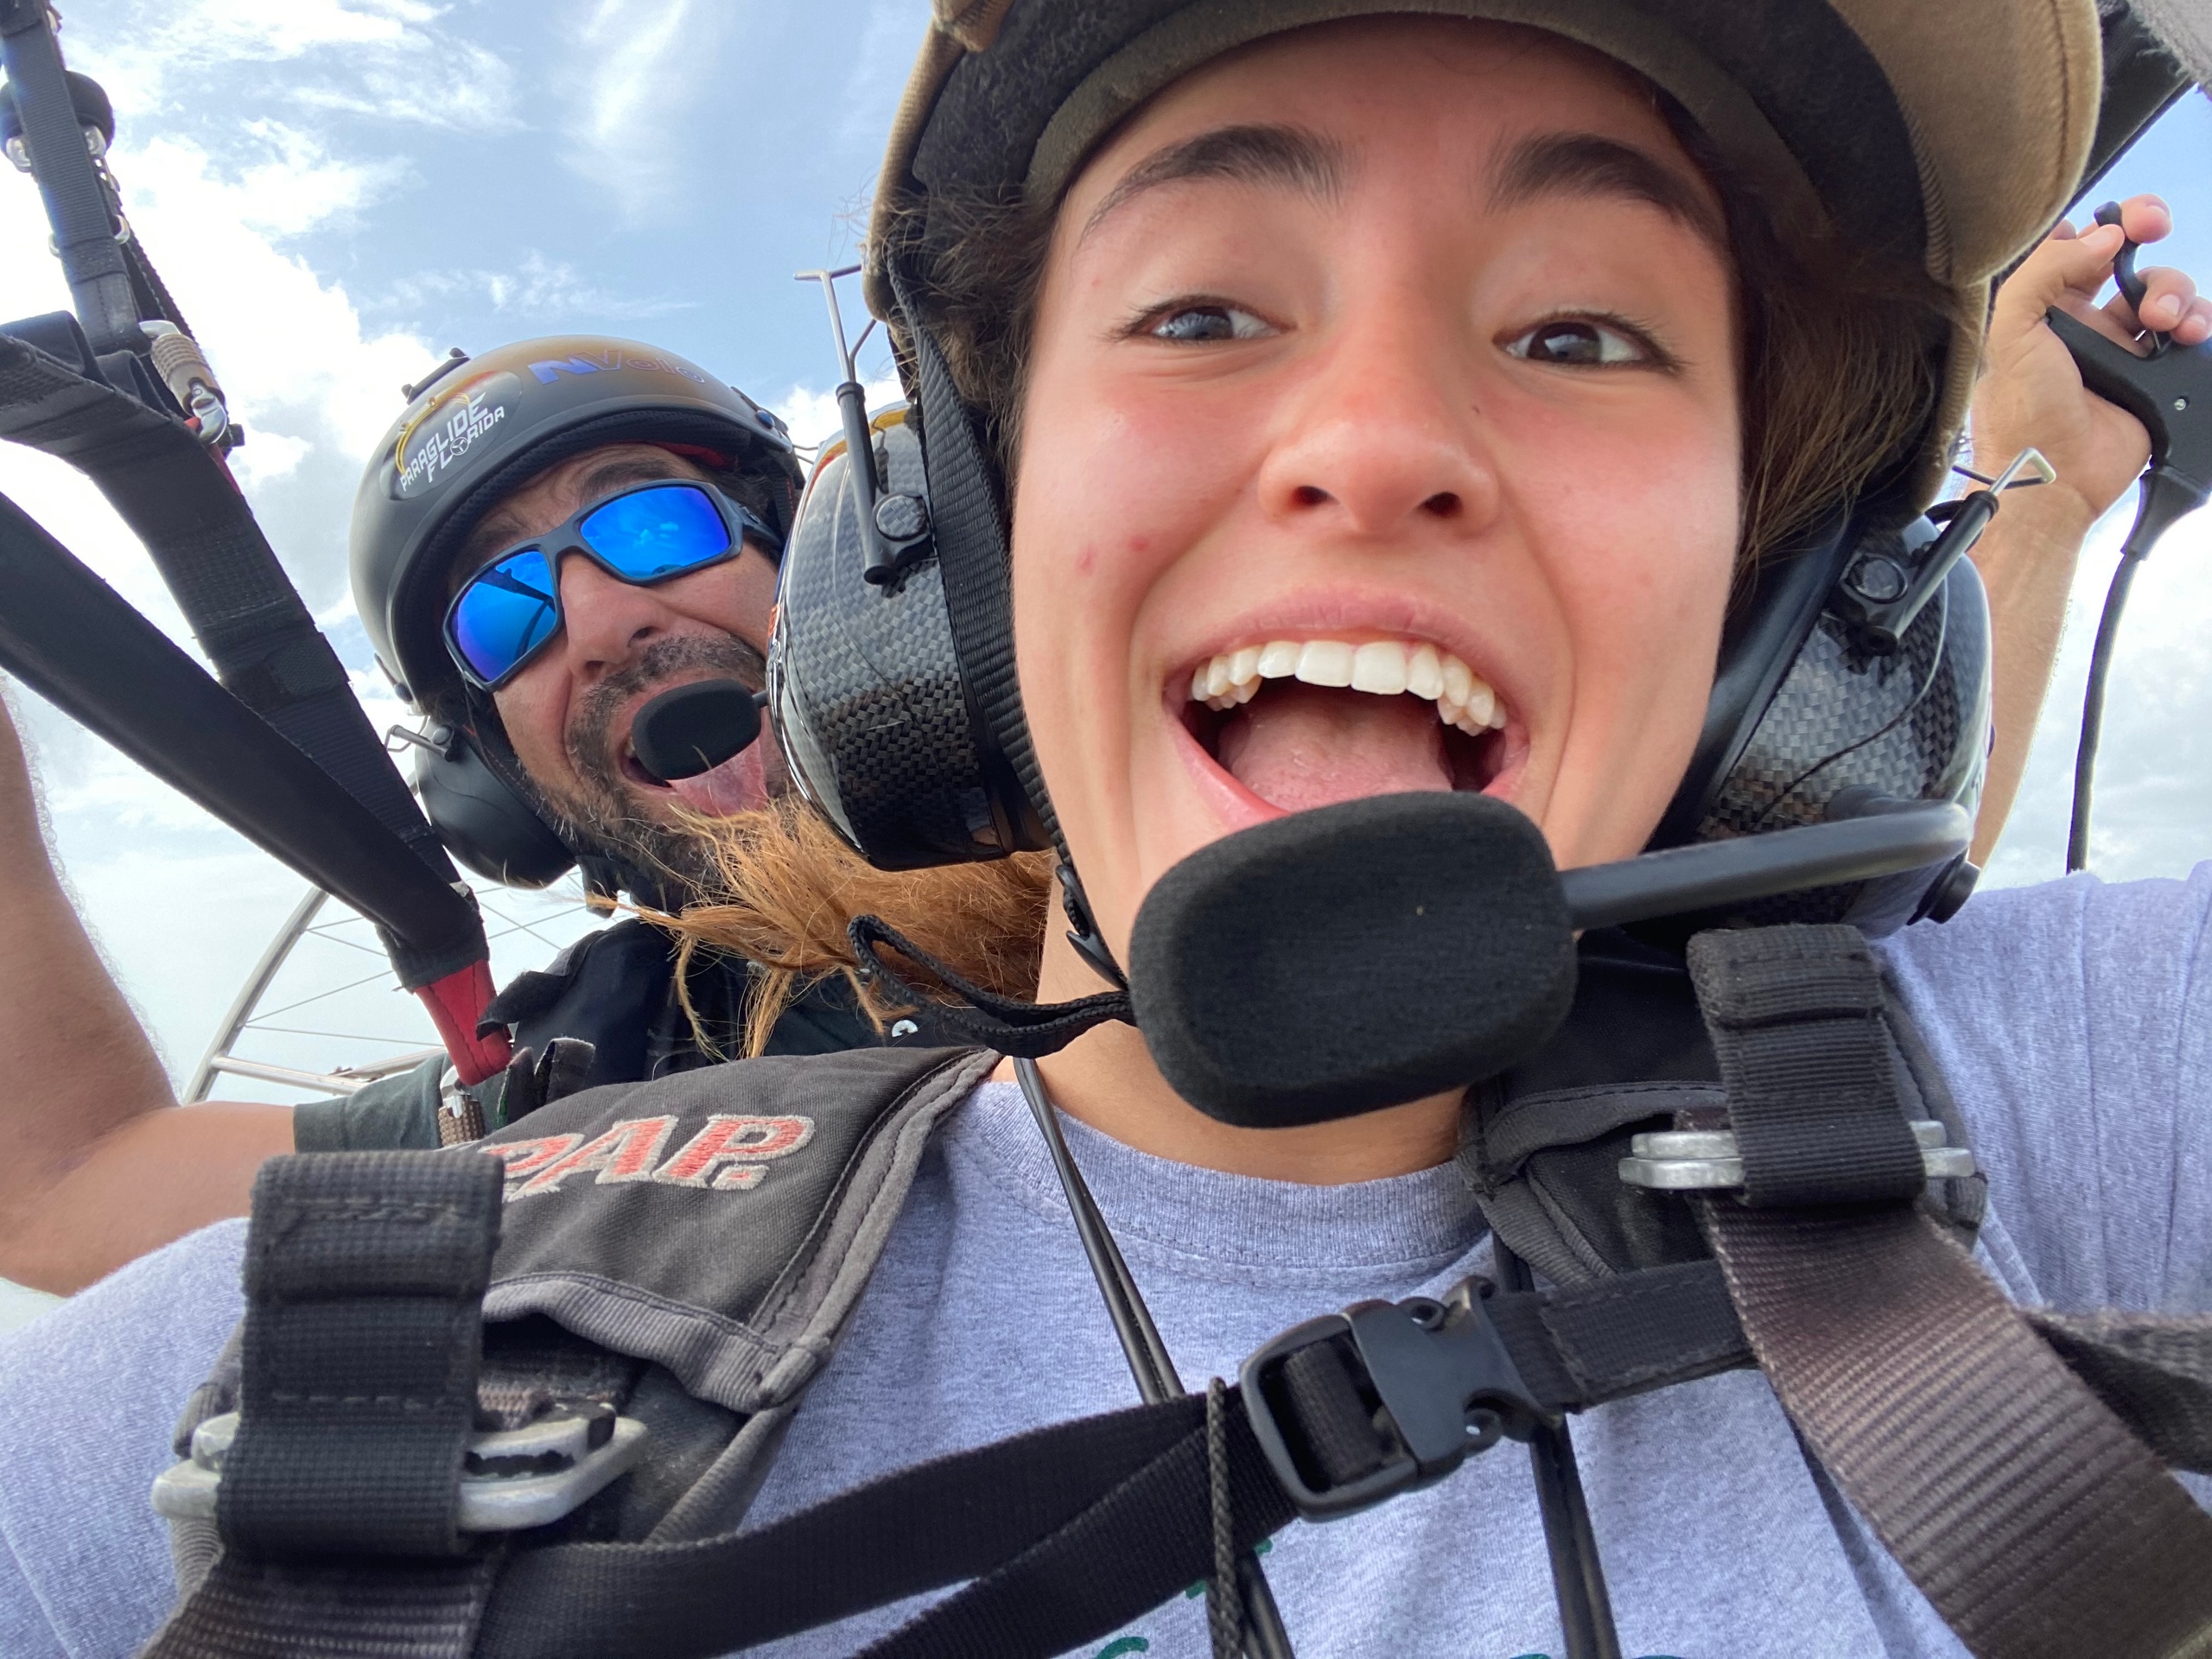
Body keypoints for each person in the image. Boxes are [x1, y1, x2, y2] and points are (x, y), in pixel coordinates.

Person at [6, 5, 2212, 1656]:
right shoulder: (534, 1173)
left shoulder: (1992, 1109)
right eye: (1199, 312)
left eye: (1574, 332)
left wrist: (2020, 487)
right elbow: (76, 1199)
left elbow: (1806, 893)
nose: (1370, 438)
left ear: (875, 576)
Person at [0, 337, 908, 1297]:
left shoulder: (1074, 815)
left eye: (654, 526)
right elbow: (59, 1189)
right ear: (495, 767)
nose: (601, 623)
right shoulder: (581, 1071)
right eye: (504, 611)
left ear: (813, 551)